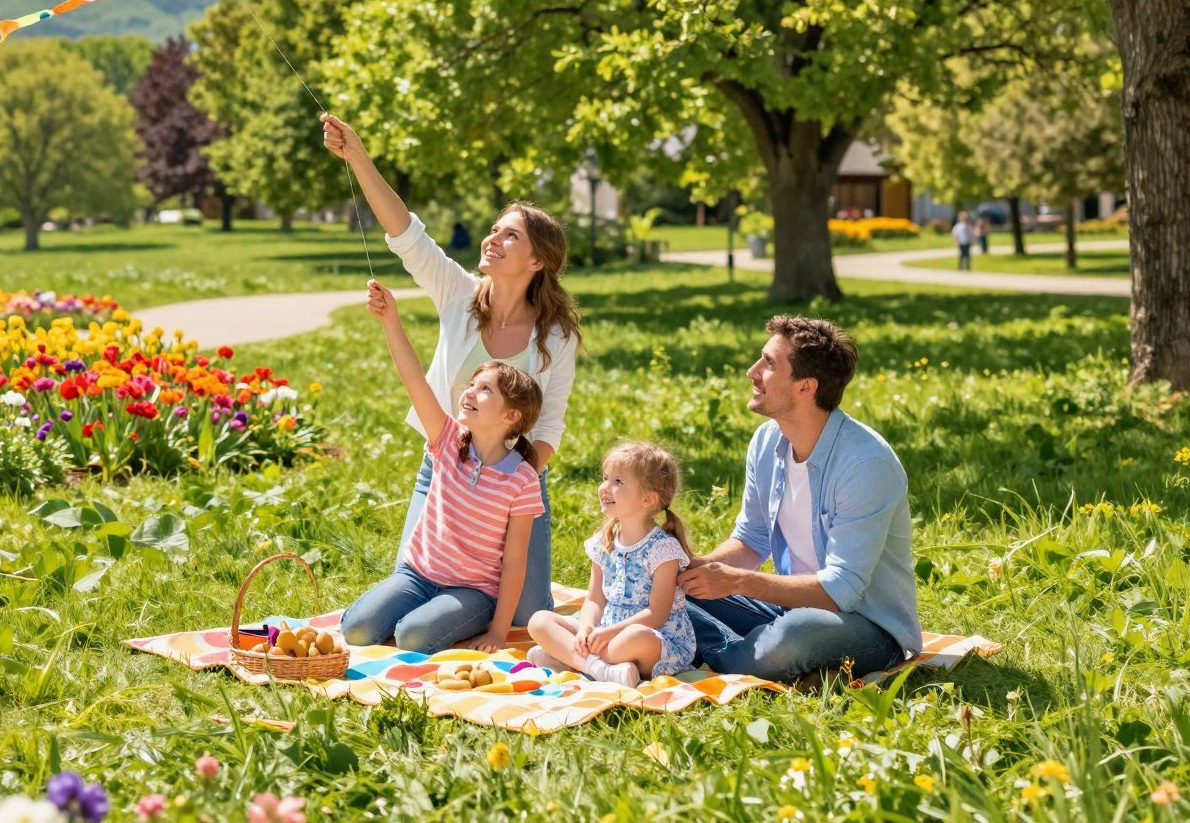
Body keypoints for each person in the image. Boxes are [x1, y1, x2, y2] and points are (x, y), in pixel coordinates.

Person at [322, 114, 581, 628]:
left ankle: (478, 592)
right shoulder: (459, 293)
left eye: (511, 236)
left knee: (526, 617)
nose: (492, 239)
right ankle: (461, 595)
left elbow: (548, 426)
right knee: (396, 611)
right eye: (494, 230)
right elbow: (406, 234)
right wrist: (358, 157)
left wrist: (505, 485)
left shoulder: (556, 336)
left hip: (514, 482)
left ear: (537, 262)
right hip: (442, 473)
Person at [679, 316, 920, 683]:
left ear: (806, 386)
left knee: (795, 635)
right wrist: (692, 570)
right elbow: (751, 540)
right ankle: (761, 660)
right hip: (788, 608)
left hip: (867, 626)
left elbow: (840, 591)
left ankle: (709, 656)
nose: (752, 372)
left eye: (768, 363)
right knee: (668, 592)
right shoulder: (766, 442)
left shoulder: (866, 464)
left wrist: (738, 582)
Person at [340, 279, 545, 653]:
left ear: (511, 416)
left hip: (472, 591)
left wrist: (498, 632)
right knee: (356, 630)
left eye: (486, 389)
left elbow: (515, 563)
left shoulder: (522, 479)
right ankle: (424, 614)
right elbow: (414, 379)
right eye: (472, 384)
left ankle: (450, 618)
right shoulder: (447, 440)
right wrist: (390, 321)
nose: (470, 392)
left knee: (412, 636)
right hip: (417, 575)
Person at [525, 442, 696, 688]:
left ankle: (570, 658)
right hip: (605, 634)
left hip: (652, 639)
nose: (605, 487)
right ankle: (600, 669)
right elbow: (594, 599)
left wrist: (608, 634)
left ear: (647, 499)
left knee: (635, 637)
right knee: (539, 621)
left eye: (618, 482)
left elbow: (657, 614)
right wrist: (586, 628)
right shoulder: (604, 542)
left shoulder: (663, 550)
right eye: (605, 478)